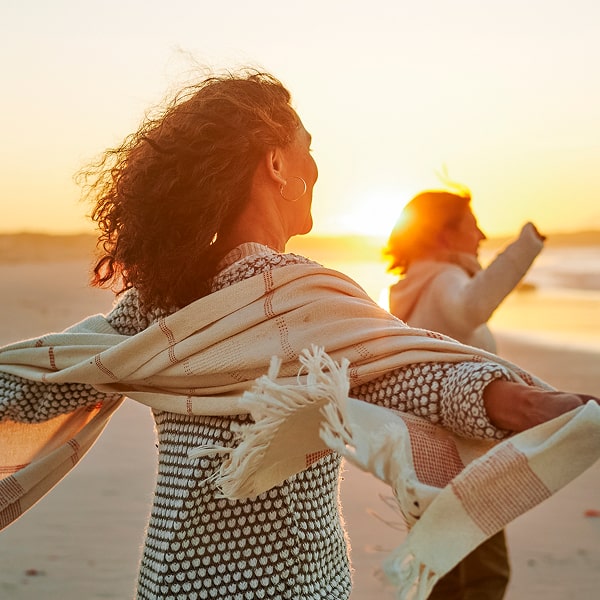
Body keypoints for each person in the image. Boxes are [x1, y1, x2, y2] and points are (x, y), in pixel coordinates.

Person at [0, 70, 595, 600]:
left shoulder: (158, 303)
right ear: (276, 165)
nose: (316, 168)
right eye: (306, 150)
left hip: (171, 577)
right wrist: (527, 401)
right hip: (289, 582)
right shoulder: (301, 297)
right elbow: (415, 375)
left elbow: (48, 376)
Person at [384, 189, 546, 599]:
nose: (482, 234)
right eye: (472, 223)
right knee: (482, 576)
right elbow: (470, 308)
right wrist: (523, 248)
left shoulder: (414, 289)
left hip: (422, 459)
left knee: (439, 575)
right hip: (463, 460)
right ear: (443, 235)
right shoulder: (443, 278)